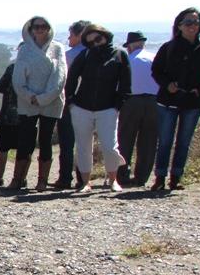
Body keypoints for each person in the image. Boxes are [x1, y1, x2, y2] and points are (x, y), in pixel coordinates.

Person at [150, 8, 200, 191]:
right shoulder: (168, 47)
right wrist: (167, 85)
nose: (192, 26)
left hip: (192, 103)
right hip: (168, 101)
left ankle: (176, 177)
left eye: (196, 23)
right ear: (179, 26)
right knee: (165, 141)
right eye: (188, 22)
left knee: (184, 141)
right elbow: (156, 70)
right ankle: (160, 177)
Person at [65, 24, 131, 192]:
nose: (95, 43)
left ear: (105, 36)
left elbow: (125, 85)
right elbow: (71, 78)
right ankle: (85, 182)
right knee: (83, 146)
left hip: (108, 108)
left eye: (98, 39)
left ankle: (113, 180)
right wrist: (71, 101)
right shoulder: (85, 54)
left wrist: (117, 106)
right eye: (91, 42)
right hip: (81, 107)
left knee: (110, 147)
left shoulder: (119, 55)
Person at [11, 16, 67, 191]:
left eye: (43, 26)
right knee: (25, 140)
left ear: (49, 28)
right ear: (30, 28)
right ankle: (18, 178)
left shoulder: (58, 48)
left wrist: (43, 98)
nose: (40, 29)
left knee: (45, 139)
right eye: (36, 27)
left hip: (51, 102)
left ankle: (42, 180)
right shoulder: (25, 49)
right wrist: (30, 96)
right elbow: (18, 78)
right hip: (28, 102)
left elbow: (60, 77)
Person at [117, 31, 160, 187]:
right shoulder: (155, 58)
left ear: (130, 46)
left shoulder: (128, 60)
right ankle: (141, 178)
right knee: (148, 141)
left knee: (125, 139)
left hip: (131, 101)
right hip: (154, 101)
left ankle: (121, 175)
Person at [53, 20, 91, 189]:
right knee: (84, 143)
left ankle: (65, 178)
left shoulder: (69, 56)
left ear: (79, 35)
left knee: (67, 143)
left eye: (71, 35)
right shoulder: (95, 54)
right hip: (90, 105)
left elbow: (60, 81)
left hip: (68, 103)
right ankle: (83, 178)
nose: (69, 39)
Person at [0, 61, 19, 187]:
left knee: (3, 148)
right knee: (24, 149)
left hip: (7, 114)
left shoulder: (12, 68)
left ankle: (0, 177)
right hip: (27, 115)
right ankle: (19, 178)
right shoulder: (35, 67)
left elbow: (0, 87)